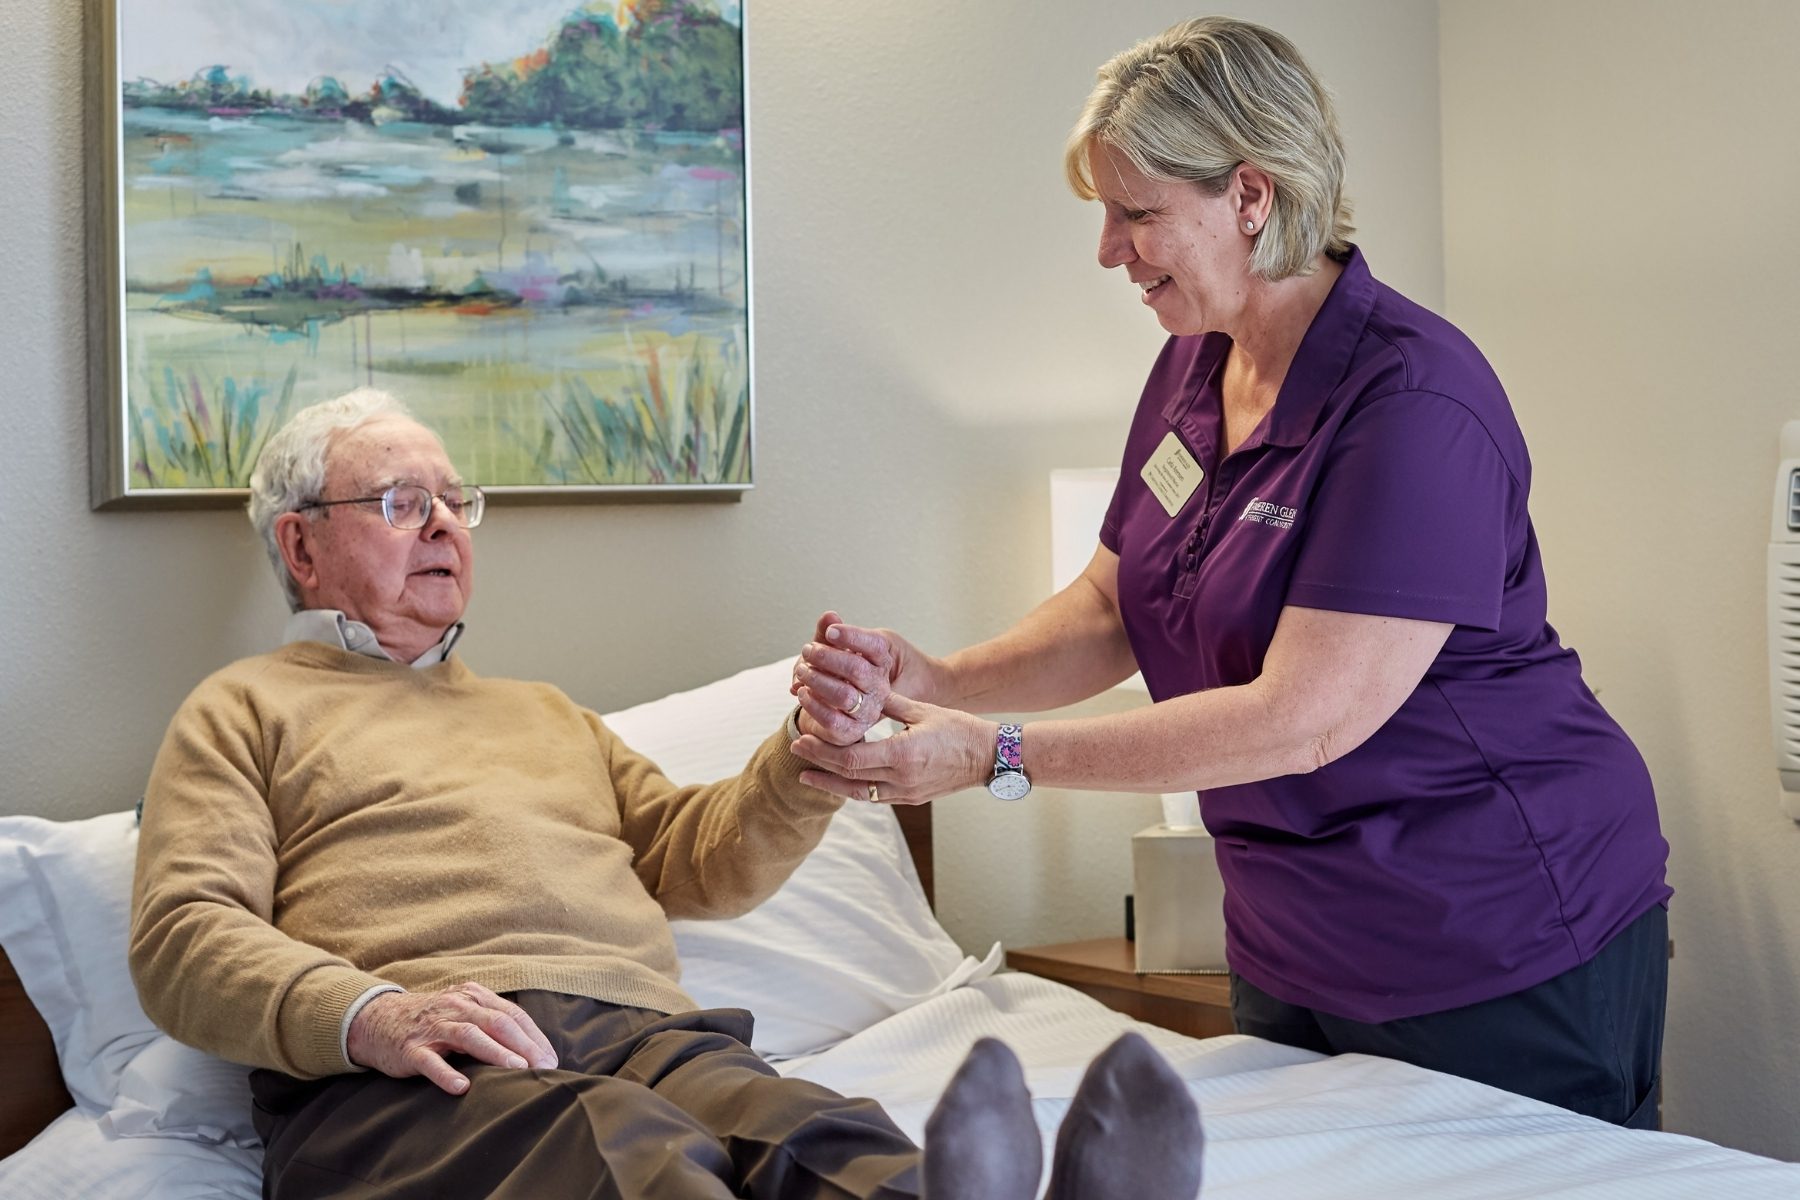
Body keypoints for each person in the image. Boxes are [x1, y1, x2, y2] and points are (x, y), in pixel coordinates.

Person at [789, 16, 1670, 1130]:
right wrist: (946, 675)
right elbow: (1115, 603)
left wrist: (991, 758)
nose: (1111, 249)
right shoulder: (1192, 369)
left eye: (1138, 213)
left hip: (1494, 937)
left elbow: (1304, 720)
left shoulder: (1414, 406)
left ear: (1251, 196)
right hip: (1293, 943)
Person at [127, 389, 1205, 1200]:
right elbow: (184, 932)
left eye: (458, 502)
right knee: (630, 1154)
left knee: (806, 1132)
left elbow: (702, 858)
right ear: (301, 544)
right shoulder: (242, 710)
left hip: (648, 1035)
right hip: (418, 1078)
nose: (448, 525)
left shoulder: (544, 714)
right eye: (404, 503)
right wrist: (373, 1015)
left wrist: (804, 754)